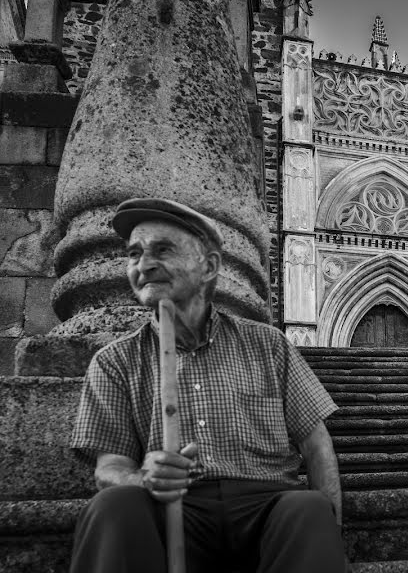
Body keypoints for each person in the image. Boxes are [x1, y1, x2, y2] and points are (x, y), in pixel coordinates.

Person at [69, 198, 346, 573]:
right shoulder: (114, 360)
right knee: (113, 504)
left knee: (311, 509)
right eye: (134, 253)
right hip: (171, 509)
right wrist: (141, 478)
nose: (144, 265)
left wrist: (334, 531)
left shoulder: (268, 344)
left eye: (162, 250)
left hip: (265, 507)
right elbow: (110, 467)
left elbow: (316, 445)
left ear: (209, 266)